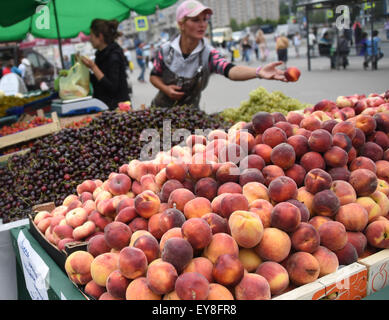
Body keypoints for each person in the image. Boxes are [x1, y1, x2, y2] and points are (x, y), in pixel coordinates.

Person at [149, 0, 288, 109]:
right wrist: (166, 89)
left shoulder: (208, 54)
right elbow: (154, 76)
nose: (202, 25)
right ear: (181, 24)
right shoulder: (166, 50)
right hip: (160, 111)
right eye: (196, 20)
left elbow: (230, 69)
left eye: (205, 19)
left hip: (189, 116)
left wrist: (258, 71)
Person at [81, 19, 130, 110]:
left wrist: (93, 67)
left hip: (118, 110)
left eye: (91, 35)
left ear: (100, 36)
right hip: (104, 107)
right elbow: (98, 81)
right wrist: (81, 71)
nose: (90, 39)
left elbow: (112, 87)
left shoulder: (114, 56)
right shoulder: (100, 55)